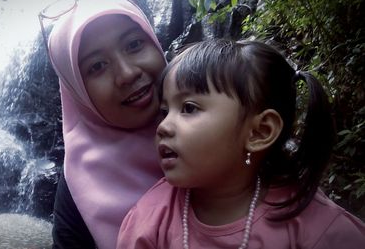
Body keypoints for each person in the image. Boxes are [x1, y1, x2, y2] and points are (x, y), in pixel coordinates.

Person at [117, 39, 365, 248]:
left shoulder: (318, 228)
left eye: (188, 108)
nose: (162, 126)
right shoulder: (148, 221)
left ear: (260, 131)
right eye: (164, 111)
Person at [43, 0, 167, 249]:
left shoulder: (231, 114)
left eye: (134, 45)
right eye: (97, 66)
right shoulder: (78, 186)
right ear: (76, 90)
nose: (127, 73)